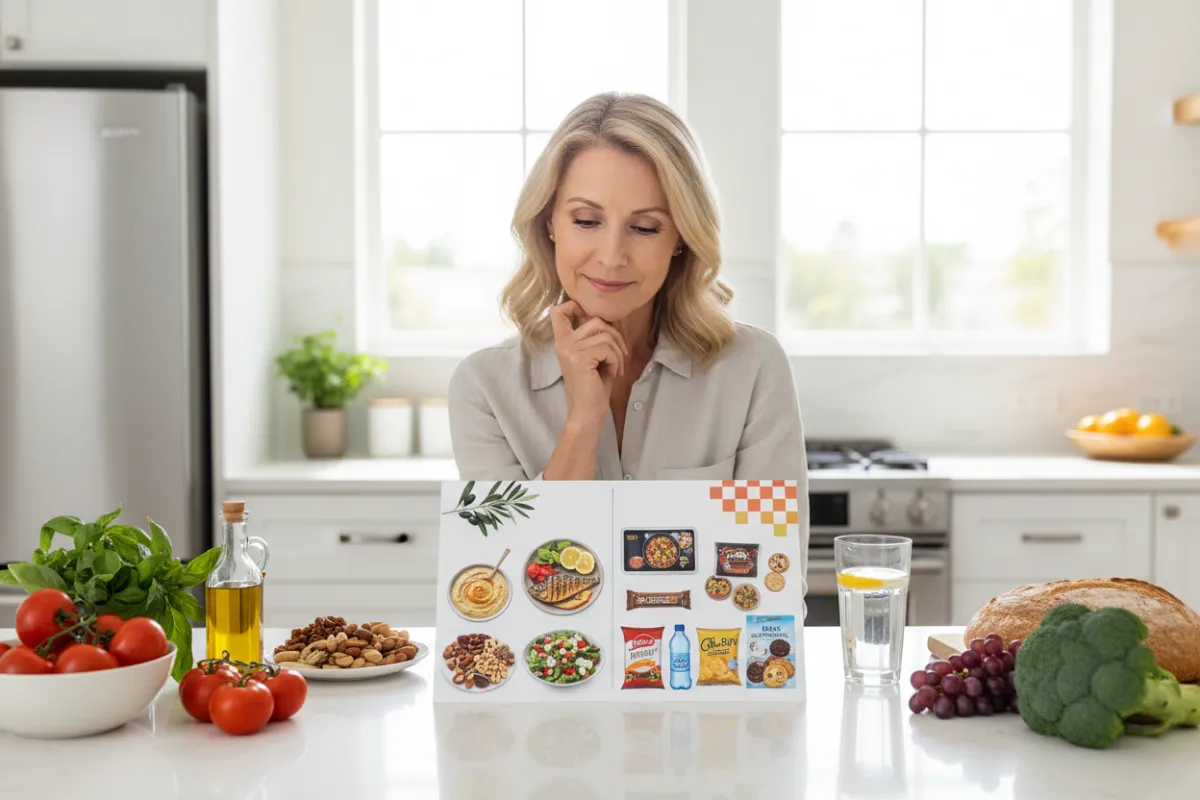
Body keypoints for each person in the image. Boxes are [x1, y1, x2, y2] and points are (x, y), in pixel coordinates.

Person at [448, 90, 806, 492]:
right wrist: (583, 421)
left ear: (682, 237)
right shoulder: (484, 386)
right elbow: (505, 555)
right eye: (586, 221)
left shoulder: (753, 368)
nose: (612, 256)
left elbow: (778, 553)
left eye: (645, 227)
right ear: (550, 223)